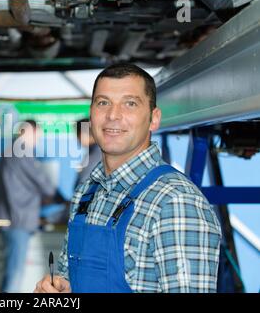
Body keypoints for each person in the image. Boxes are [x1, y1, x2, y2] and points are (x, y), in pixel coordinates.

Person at [35, 63, 222, 293]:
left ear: (154, 119)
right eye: (103, 103)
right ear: (92, 116)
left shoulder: (176, 203)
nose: (113, 115)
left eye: (130, 103)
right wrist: (62, 287)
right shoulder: (87, 194)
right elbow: (74, 276)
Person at [0, 120, 64, 293]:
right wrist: (59, 197)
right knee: (15, 273)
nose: (38, 140)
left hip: (13, 218)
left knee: (12, 270)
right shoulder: (21, 151)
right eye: (37, 135)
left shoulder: (12, 151)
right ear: (27, 132)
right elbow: (41, 181)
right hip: (18, 219)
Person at [75, 118, 101, 186]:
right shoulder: (94, 151)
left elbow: (84, 181)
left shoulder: (97, 153)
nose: (77, 138)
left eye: (77, 133)